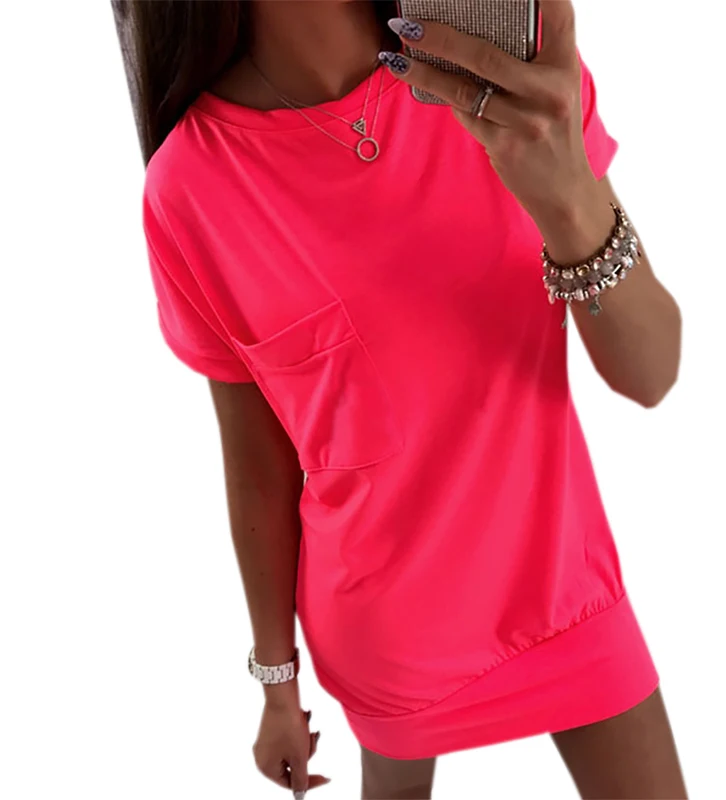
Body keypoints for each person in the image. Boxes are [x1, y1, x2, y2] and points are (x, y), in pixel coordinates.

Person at [114, 1, 687, 797]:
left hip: (567, 591)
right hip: (387, 637)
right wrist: (277, 685)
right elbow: (259, 467)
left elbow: (652, 372)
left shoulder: (500, 76)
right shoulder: (191, 186)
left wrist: (568, 199)